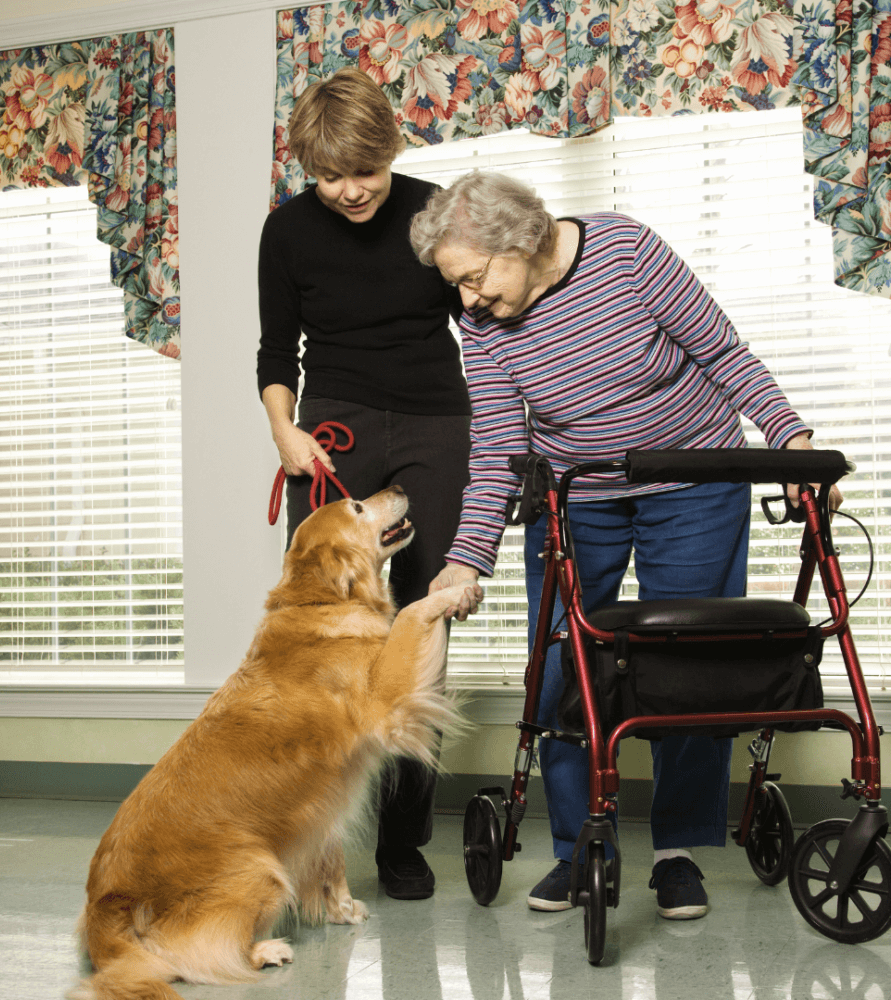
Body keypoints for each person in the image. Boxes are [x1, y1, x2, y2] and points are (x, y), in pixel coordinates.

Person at [409, 171, 842, 918]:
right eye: (457, 286)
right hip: (576, 496)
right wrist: (463, 560)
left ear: (522, 240)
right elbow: (499, 451)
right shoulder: (480, 325)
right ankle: (580, 846)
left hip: (694, 481)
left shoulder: (625, 252)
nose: (468, 301)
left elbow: (723, 355)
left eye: (474, 278)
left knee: (691, 663)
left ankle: (677, 851)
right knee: (560, 662)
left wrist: (792, 445)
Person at [256, 68, 480, 901]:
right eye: (330, 177)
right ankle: (314, 841)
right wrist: (285, 430)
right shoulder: (286, 232)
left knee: (422, 630)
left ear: (392, 150)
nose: (351, 192)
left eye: (366, 172)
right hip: (335, 430)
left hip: (436, 423)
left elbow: (485, 325)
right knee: (322, 633)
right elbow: (277, 352)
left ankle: (402, 841)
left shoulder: (433, 215)